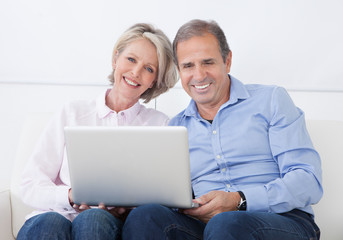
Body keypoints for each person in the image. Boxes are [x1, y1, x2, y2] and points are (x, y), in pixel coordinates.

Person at [122, 19, 322, 239]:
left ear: (227, 61)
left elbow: (308, 181)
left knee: (226, 223)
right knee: (145, 216)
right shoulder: (176, 127)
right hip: (205, 226)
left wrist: (240, 200)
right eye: (188, 66)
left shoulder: (271, 101)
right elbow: (172, 197)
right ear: (179, 70)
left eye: (208, 62)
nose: (199, 75)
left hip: (282, 220)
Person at [17, 23, 177, 240]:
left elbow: (163, 196)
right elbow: (29, 185)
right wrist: (70, 196)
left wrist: (126, 208)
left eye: (149, 69)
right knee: (49, 223)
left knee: (92, 219)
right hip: (53, 215)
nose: (136, 72)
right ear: (115, 59)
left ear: (154, 81)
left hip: (107, 224)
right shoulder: (72, 112)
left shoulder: (160, 125)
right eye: (131, 59)